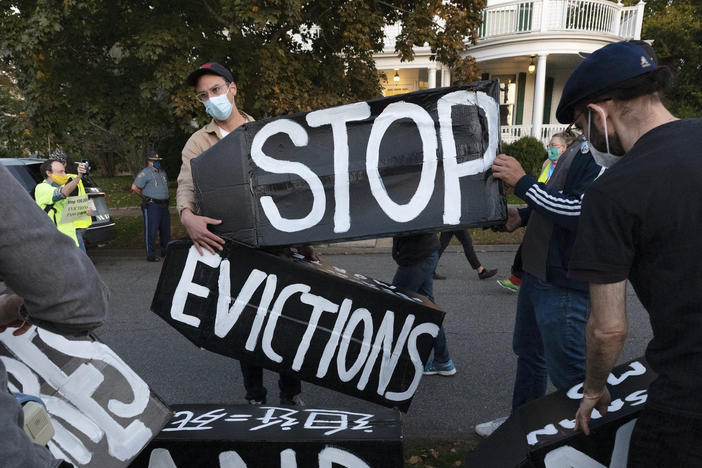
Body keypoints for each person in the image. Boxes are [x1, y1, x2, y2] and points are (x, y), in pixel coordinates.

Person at [557, 41, 702, 466]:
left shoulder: (612, 193)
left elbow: (608, 329)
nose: (586, 139)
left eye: (582, 128)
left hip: (687, 403)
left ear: (599, 113)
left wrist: (593, 388)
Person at [178, 62, 309, 405]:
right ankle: (255, 395)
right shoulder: (197, 142)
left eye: (217, 90)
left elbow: (291, 189)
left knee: (286, 319)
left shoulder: (266, 133)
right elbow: (186, 186)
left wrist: (306, 241)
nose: (211, 99)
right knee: (245, 324)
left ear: (233, 89)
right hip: (232, 246)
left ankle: (290, 393)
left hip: (277, 244)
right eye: (203, 96)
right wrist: (186, 216)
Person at [475, 124, 602, 437]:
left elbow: (579, 211)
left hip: (563, 282)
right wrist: (524, 215)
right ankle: (521, 427)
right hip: (537, 273)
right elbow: (559, 196)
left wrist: (522, 182)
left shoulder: (602, 153)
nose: (574, 118)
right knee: (531, 355)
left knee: (569, 370)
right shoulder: (581, 146)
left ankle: (590, 440)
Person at [0, 163, 109, 467]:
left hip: (73, 238)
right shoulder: (43, 188)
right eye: (58, 169)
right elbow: (78, 302)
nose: (63, 172)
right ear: (48, 174)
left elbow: (80, 202)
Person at [496, 132, 576, 293]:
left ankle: (517, 278)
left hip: (551, 225)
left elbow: (569, 206)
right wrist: (523, 214)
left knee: (527, 246)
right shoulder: (547, 163)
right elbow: (541, 188)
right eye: (549, 145)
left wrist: (521, 182)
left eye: (554, 146)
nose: (550, 149)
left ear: (564, 148)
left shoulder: (571, 165)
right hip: (537, 210)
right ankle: (519, 278)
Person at [392, 233, 456, 376]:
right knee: (429, 310)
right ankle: (443, 360)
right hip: (426, 254)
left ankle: (383, 359)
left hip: (416, 258)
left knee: (394, 306)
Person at [34, 158, 88, 248]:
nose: (64, 175)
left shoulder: (62, 186)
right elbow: (61, 193)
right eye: (61, 172)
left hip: (71, 241)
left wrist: (84, 210)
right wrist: (78, 177)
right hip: (56, 244)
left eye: (64, 171)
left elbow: (66, 212)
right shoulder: (42, 188)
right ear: (49, 173)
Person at [48, 150, 94, 253]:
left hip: (73, 224)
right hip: (80, 222)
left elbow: (70, 199)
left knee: (78, 257)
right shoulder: (74, 176)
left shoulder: (67, 179)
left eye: (56, 162)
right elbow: (85, 195)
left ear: (64, 164)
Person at [132, 152, 171, 262]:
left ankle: (166, 251)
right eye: (154, 161)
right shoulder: (145, 173)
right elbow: (135, 187)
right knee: (151, 230)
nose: (157, 162)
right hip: (152, 205)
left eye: (158, 161)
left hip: (164, 205)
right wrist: (145, 197)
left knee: (165, 230)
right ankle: (151, 255)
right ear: (149, 161)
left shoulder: (162, 172)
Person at [433, 230, 497, 281]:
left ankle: (429, 269)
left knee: (442, 245)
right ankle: (481, 271)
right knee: (467, 242)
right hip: (454, 218)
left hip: (450, 218)